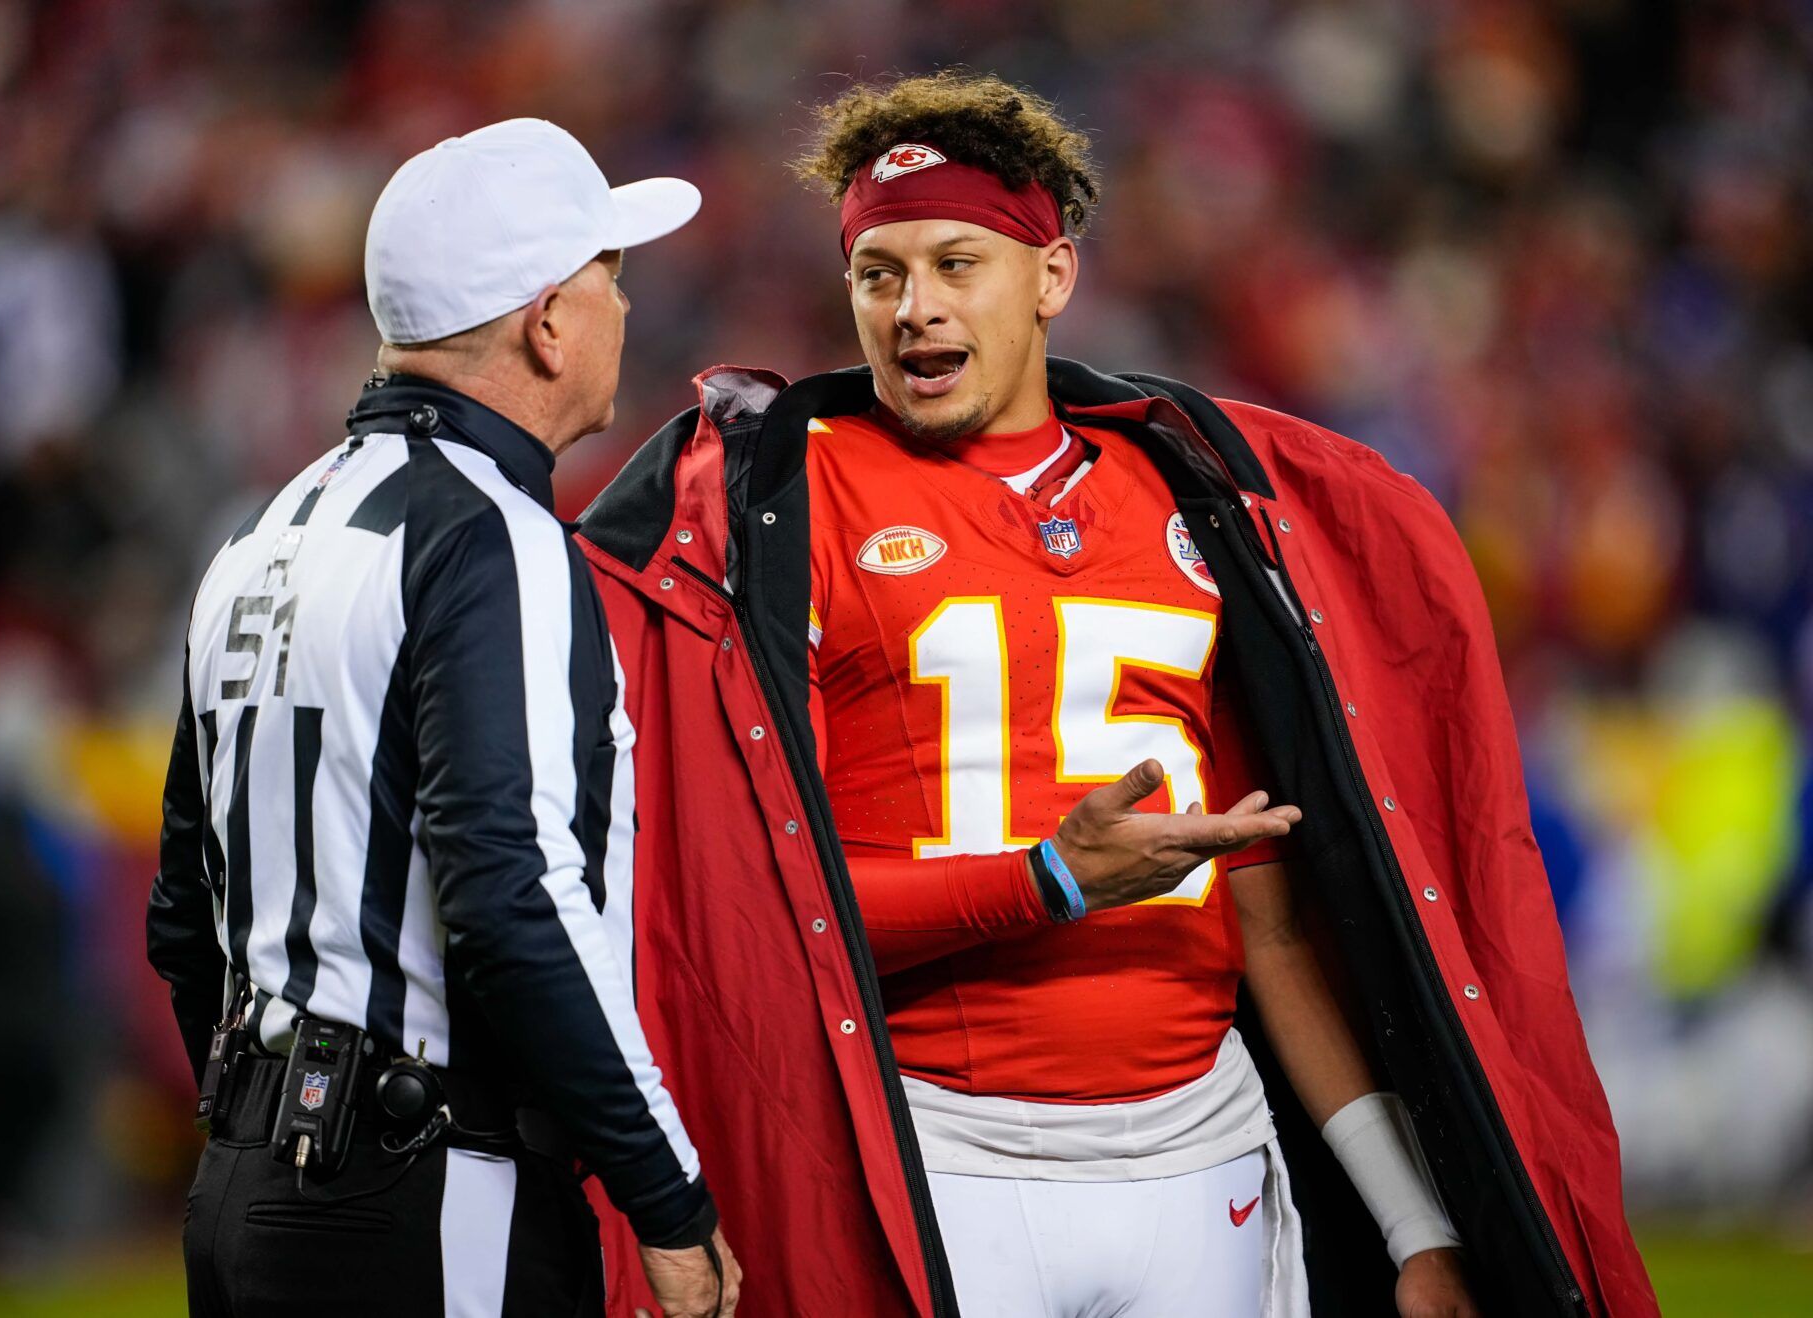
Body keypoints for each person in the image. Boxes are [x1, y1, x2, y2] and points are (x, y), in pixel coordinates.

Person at [573, 73, 1655, 1317]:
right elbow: (754, 917)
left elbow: (1271, 912)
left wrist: (1415, 1223)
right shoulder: (795, 502)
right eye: (879, 273)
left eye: (956, 262)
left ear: (1053, 275)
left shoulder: (1186, 498)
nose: (914, 309)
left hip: (1205, 1156)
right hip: (943, 1148)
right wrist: (1050, 879)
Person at [145, 118, 741, 1318]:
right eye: (608, 278)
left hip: (246, 1182)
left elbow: (181, 912)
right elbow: (510, 894)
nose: (624, 310)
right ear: (547, 321)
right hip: (424, 1187)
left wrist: (278, 1112)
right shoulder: (494, 537)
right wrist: (664, 1193)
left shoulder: (264, 532)